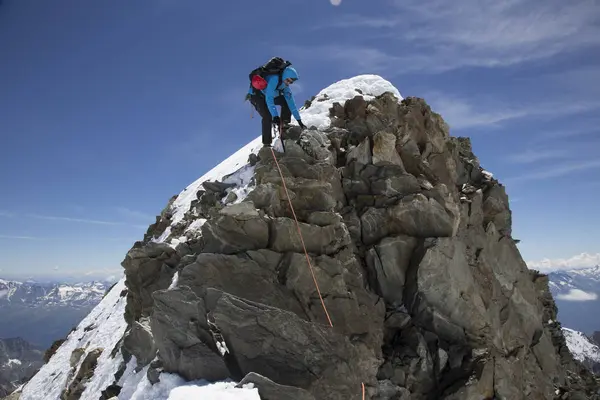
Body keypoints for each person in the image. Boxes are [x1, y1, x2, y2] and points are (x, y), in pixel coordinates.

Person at [247, 65, 306, 147]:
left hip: (267, 96)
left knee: (286, 102)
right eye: (288, 80)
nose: (288, 83)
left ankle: (284, 125)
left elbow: (292, 104)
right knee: (267, 116)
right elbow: (269, 98)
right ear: (285, 76)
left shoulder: (285, 88)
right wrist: (275, 116)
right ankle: (266, 143)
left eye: (290, 82)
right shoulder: (274, 79)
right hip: (257, 96)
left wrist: (299, 121)